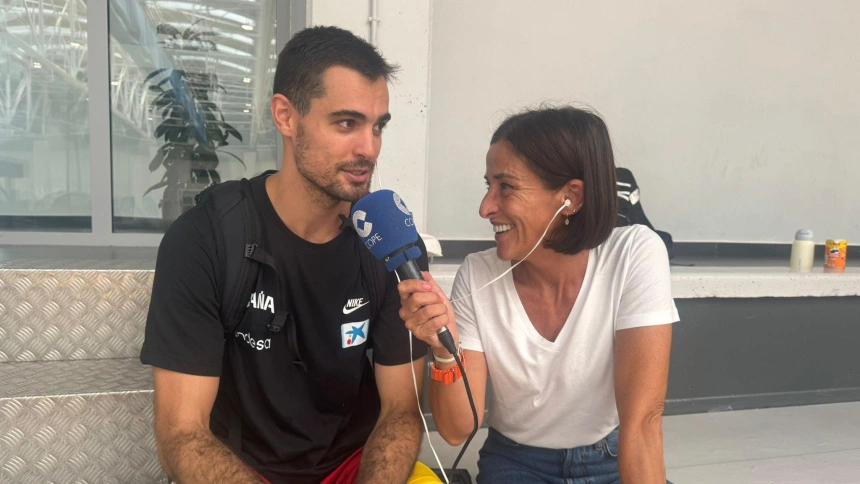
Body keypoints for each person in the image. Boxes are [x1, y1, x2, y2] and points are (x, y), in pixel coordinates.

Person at [141, 26, 441, 484]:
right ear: (286, 116)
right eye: (346, 123)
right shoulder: (205, 239)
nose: (369, 148)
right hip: (240, 468)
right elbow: (181, 434)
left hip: (351, 466)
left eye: (377, 126)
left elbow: (400, 410)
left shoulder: (388, 242)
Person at [399, 106, 678, 483]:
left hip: (612, 457)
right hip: (515, 463)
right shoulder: (478, 274)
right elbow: (456, 430)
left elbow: (642, 422)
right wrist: (446, 353)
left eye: (506, 186)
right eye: (488, 186)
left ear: (570, 197)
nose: (485, 207)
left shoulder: (633, 254)